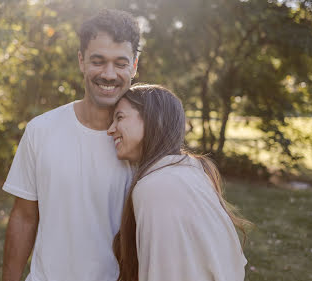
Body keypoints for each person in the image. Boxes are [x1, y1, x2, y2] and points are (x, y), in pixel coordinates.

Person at [2, 9, 140, 281]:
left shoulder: (145, 141)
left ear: (134, 65)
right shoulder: (40, 130)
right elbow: (24, 217)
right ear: (81, 61)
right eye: (98, 61)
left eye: (120, 63)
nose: (109, 74)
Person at [107, 84, 249, 281]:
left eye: (120, 117)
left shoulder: (157, 187)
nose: (110, 129)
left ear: (152, 120)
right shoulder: (189, 172)